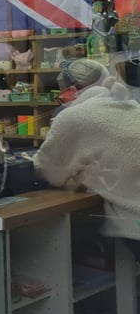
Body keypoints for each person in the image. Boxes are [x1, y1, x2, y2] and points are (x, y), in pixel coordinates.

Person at [33, 66, 140, 259]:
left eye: (61, 94)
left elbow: (50, 172)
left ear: (72, 91)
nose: (61, 100)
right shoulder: (131, 105)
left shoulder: (74, 116)